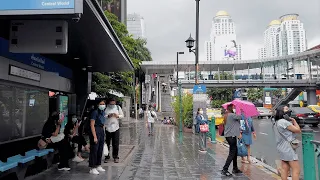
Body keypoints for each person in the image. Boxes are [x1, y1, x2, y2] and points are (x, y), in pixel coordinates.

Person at [274, 106, 301, 180]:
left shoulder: (276, 122)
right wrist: (294, 121)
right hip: (288, 148)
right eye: (286, 109)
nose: (289, 110)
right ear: (281, 112)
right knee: (296, 170)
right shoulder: (283, 122)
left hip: (281, 147)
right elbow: (298, 130)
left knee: (284, 169)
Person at [221, 104, 242, 176]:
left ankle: (235, 168)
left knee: (234, 152)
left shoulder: (227, 115)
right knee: (232, 153)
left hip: (229, 136)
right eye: (233, 107)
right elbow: (240, 117)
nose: (234, 108)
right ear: (231, 108)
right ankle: (225, 169)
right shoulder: (232, 115)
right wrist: (240, 110)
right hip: (231, 136)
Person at [89, 100, 106, 175]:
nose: (102, 105)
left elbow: (103, 123)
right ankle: (92, 167)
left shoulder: (102, 112)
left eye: (103, 104)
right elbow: (92, 125)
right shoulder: (94, 112)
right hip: (95, 130)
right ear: (97, 104)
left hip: (101, 130)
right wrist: (94, 136)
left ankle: (98, 164)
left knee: (100, 149)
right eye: (101, 104)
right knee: (94, 149)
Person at [104, 98, 124, 163]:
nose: (112, 105)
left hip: (116, 127)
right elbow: (103, 116)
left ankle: (115, 156)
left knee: (115, 143)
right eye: (111, 103)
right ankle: (107, 156)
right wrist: (108, 116)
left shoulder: (118, 107)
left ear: (115, 103)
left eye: (113, 103)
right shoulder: (106, 108)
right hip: (107, 127)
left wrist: (117, 116)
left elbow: (122, 115)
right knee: (107, 143)